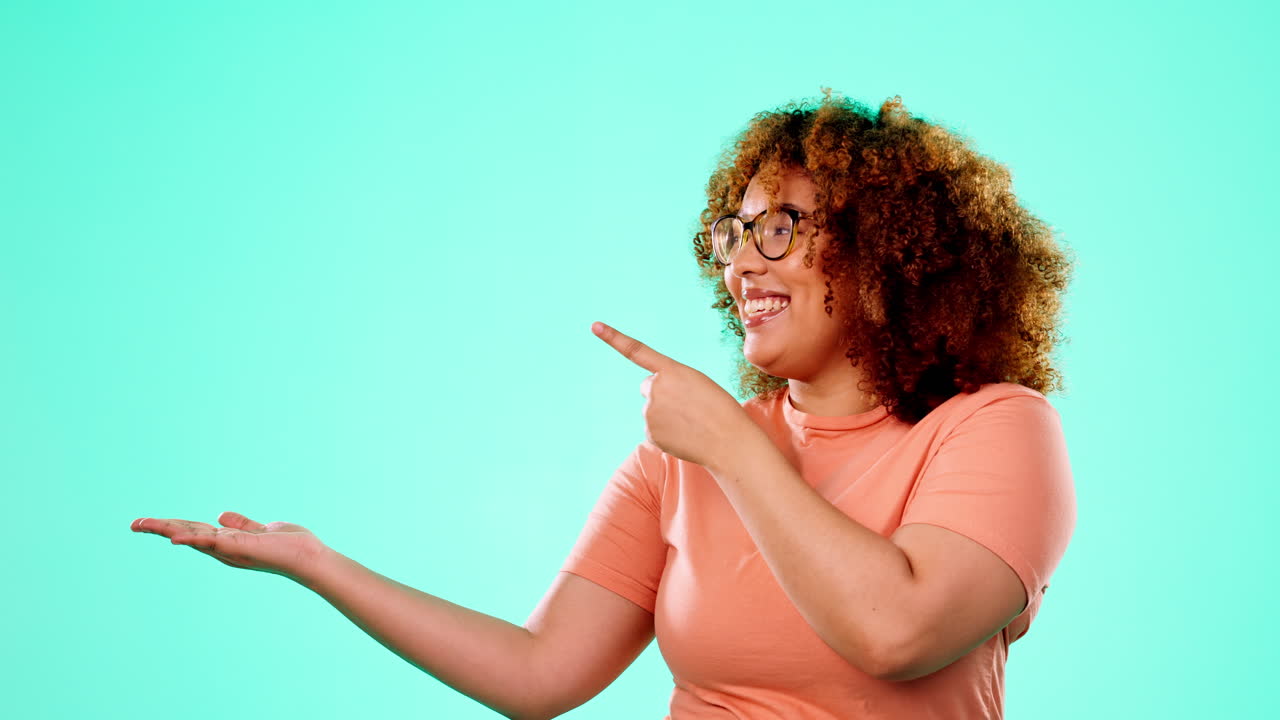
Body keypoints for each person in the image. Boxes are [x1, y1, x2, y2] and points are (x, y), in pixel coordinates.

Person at [132, 91, 1077, 720]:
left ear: (891, 250)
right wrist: (317, 563)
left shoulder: (995, 429)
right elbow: (541, 674)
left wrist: (733, 450)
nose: (743, 261)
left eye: (780, 229)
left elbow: (895, 633)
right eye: (734, 233)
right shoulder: (684, 453)